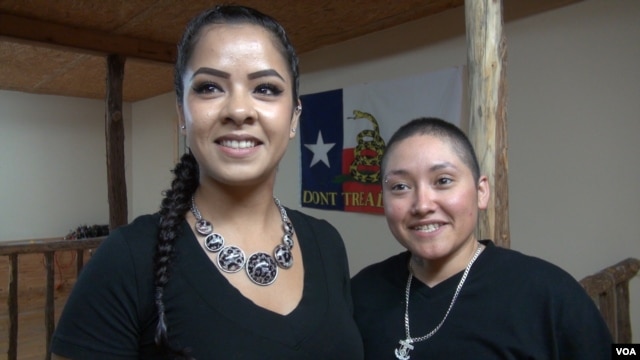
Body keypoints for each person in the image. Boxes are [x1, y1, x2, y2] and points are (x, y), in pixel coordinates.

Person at [50, 5, 363, 359]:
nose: (239, 110)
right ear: (182, 113)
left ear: (294, 117)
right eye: (210, 87)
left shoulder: (327, 243)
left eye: (266, 88)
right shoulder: (126, 260)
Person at [351, 117, 611, 359]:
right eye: (400, 187)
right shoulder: (360, 293)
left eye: (442, 180)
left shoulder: (549, 294)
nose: (422, 205)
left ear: (481, 191)